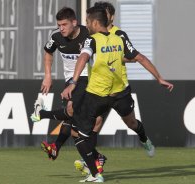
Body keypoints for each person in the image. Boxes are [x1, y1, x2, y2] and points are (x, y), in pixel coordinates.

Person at [61, 5, 173, 182]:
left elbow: (137, 57)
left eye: (88, 21)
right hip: (99, 93)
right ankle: (92, 163)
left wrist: (158, 77)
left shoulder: (118, 36)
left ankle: (143, 139)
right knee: (93, 125)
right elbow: (88, 57)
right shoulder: (95, 38)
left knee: (131, 123)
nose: (86, 24)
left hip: (119, 91)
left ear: (100, 20)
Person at [30, 7, 107, 173]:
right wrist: (48, 76)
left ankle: (42, 115)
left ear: (74, 22)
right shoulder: (56, 37)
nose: (61, 28)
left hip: (91, 80)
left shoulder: (89, 34)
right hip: (70, 81)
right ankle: (93, 157)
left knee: (74, 113)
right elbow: (48, 52)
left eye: (64, 24)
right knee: (73, 125)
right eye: (59, 25)